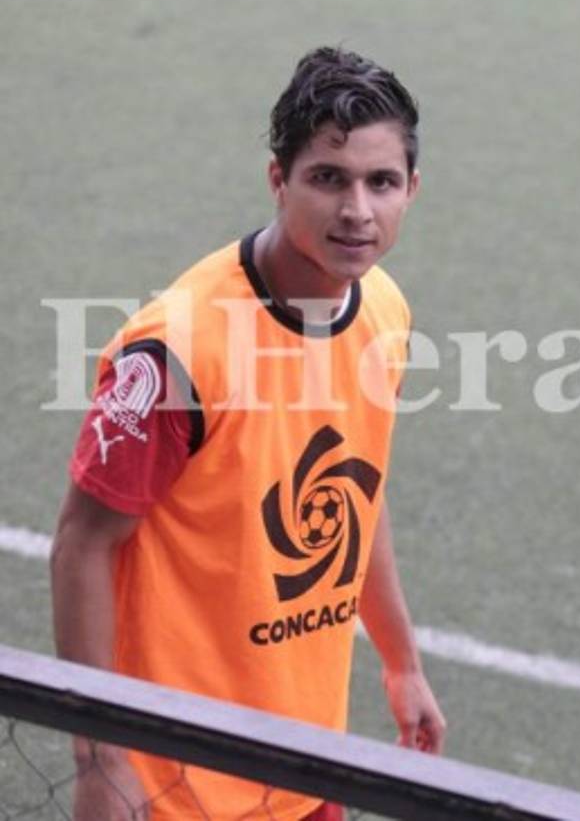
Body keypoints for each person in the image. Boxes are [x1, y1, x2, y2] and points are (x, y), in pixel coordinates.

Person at [50, 47, 445, 821]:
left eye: (381, 182)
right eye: (327, 178)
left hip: (304, 768)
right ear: (278, 180)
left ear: (411, 190)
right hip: (171, 787)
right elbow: (81, 544)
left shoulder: (383, 309)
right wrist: (98, 756)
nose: (357, 211)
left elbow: (356, 493)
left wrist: (401, 663)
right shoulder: (176, 351)